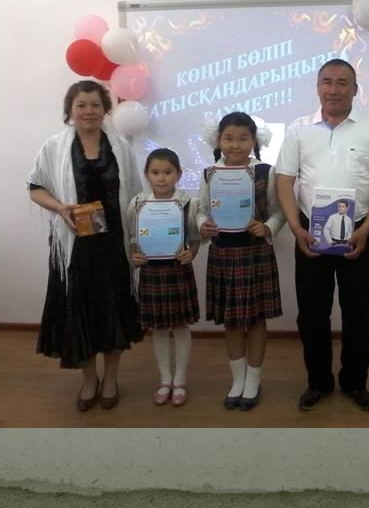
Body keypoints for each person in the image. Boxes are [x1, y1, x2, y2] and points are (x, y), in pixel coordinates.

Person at [275, 58, 369, 412]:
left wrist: (367, 228)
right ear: (318, 87)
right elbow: (284, 180)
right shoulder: (299, 129)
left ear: (355, 89)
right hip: (310, 234)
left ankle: (355, 383)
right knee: (311, 314)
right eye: (327, 81)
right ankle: (319, 383)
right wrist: (296, 227)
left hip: (360, 231)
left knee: (357, 313)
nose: (334, 89)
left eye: (342, 82)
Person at [28, 80, 144, 411]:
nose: (88, 111)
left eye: (95, 104)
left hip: (113, 246)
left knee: (113, 312)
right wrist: (60, 207)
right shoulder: (54, 147)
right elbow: (35, 188)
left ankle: (111, 379)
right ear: (70, 110)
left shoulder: (121, 147)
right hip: (74, 247)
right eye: (81, 105)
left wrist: (137, 240)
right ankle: (89, 380)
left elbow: (135, 197)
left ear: (105, 110)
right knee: (82, 314)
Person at [198, 112, 285, 411]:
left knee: (257, 320)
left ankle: (253, 381)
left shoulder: (265, 172)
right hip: (223, 253)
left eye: (243, 138)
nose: (235, 145)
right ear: (218, 141)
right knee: (232, 321)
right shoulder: (210, 173)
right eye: (228, 138)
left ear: (254, 141)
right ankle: (237, 380)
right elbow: (201, 209)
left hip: (255, 253)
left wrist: (268, 227)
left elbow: (278, 209)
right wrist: (202, 224)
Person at [126, 148, 200, 408]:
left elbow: (194, 237)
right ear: (147, 174)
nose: (161, 178)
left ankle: (180, 380)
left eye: (168, 172)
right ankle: (165, 380)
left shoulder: (188, 203)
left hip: (178, 271)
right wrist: (134, 256)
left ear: (178, 174)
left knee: (180, 326)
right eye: (155, 172)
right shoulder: (137, 203)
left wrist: (192, 253)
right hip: (151, 272)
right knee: (157, 328)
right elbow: (133, 237)